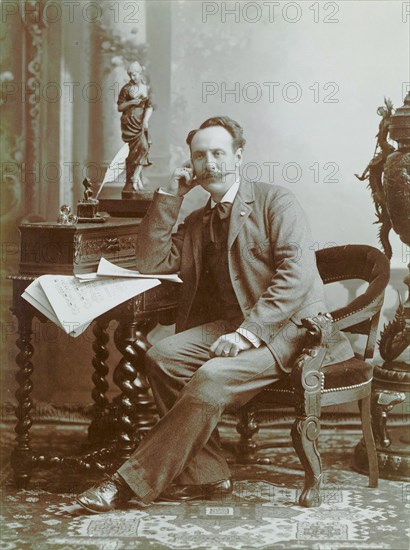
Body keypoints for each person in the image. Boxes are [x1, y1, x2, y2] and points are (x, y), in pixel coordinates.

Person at [76, 116, 354, 513]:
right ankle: (209, 473)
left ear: (238, 156)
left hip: (291, 331)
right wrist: (170, 195)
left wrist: (248, 334)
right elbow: (150, 260)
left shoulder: (276, 201)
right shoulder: (198, 220)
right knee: (162, 357)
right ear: (192, 164)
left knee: (211, 376)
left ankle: (128, 483)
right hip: (234, 325)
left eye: (219, 153)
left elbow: (296, 275)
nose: (211, 164)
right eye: (200, 156)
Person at [117, 61, 154, 196]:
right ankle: (133, 180)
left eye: (136, 74)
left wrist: (145, 121)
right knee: (133, 151)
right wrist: (132, 102)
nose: (133, 77)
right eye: (131, 74)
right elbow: (120, 107)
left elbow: (149, 106)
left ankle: (135, 177)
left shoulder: (146, 88)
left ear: (141, 73)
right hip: (129, 122)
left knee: (144, 147)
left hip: (140, 122)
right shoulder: (126, 89)